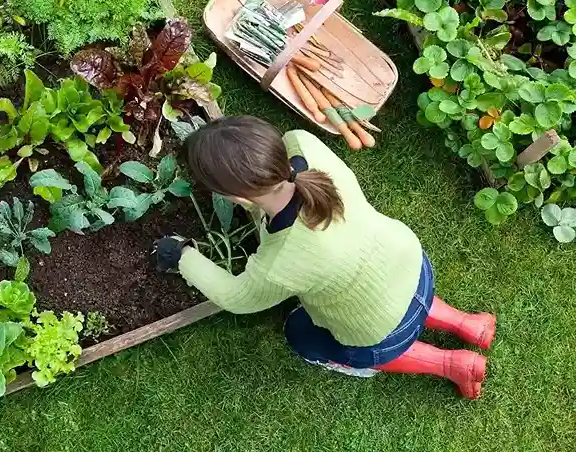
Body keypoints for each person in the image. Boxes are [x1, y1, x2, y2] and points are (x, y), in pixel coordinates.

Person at [154, 116, 496, 398]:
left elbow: (236, 297)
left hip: (379, 329)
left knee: (300, 334)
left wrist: (181, 255)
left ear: (233, 196)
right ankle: (467, 323)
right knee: (388, 290)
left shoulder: (281, 261)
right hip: (411, 264)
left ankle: (451, 364)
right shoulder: (304, 145)